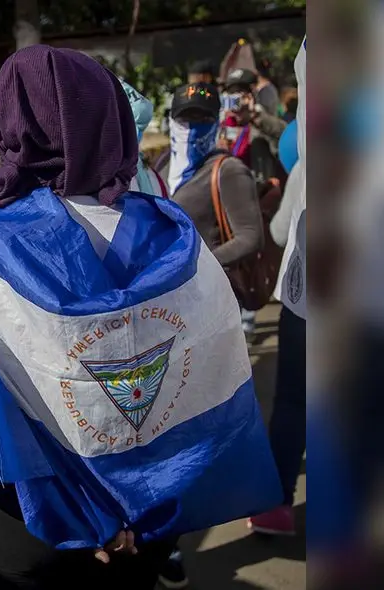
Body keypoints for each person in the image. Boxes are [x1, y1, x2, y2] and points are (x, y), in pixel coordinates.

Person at [0, 46, 279, 589]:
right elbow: (212, 365)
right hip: (150, 512)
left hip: (28, 520)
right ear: (111, 121)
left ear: (9, 126)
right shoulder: (173, 236)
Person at [247, 39, 307, 537]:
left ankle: (276, 503)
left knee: (293, 403)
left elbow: (281, 232)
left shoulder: (307, 165)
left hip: (306, 303)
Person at [168, 82, 264, 338]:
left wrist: (198, 265)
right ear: (172, 121)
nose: (193, 126)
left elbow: (250, 236)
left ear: (216, 122)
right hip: (167, 301)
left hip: (212, 301)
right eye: (185, 118)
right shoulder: (163, 164)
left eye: (203, 119)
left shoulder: (228, 170)